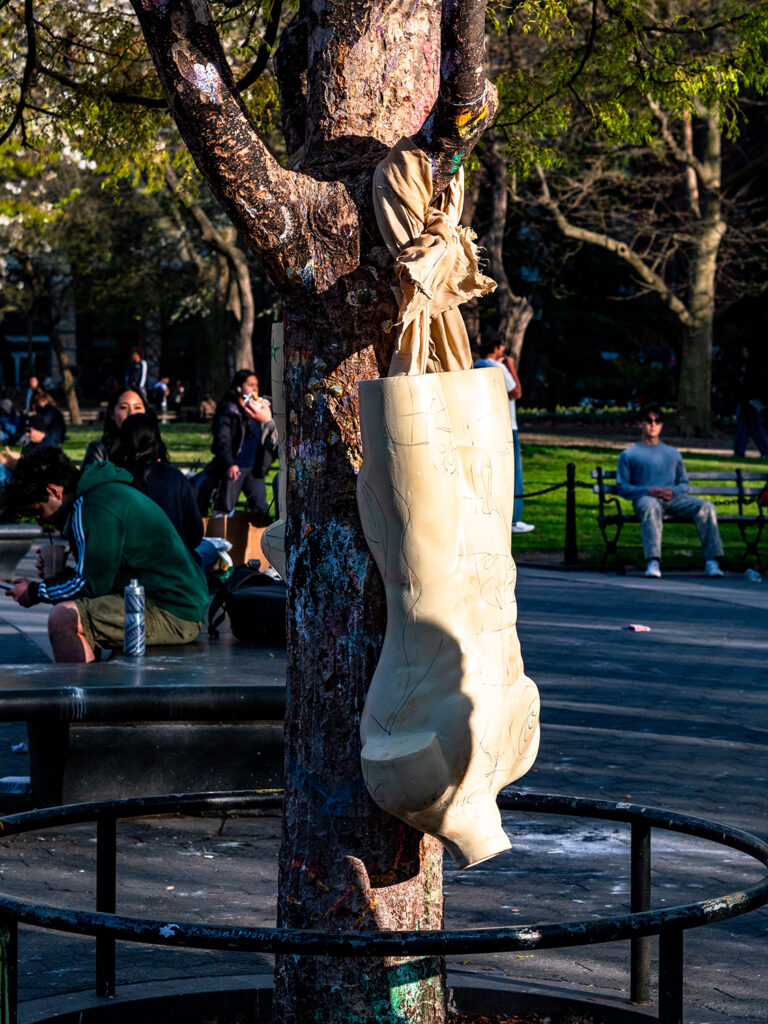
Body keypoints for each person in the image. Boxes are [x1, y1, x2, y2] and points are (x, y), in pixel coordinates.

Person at [5, 446, 208, 662]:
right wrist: (61, 577)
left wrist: (36, 591)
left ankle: (83, 694)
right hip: (169, 602)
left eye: (38, 511)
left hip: (171, 611)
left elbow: (92, 586)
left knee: (63, 619)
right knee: (73, 609)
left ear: (55, 491)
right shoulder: (101, 494)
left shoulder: (94, 507)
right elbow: (100, 579)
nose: (40, 520)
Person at [616, 403, 725, 579]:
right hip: (646, 498)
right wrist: (649, 490)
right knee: (650, 507)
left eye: (657, 421)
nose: (653, 425)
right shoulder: (629, 454)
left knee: (706, 507)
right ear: (640, 423)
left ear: (662, 425)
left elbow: (684, 484)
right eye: (649, 420)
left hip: (673, 499)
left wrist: (672, 492)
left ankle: (712, 561)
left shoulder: (673, 453)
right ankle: (653, 561)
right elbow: (623, 487)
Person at [114, 413, 219, 570]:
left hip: (127, 561)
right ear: (156, 441)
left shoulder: (113, 477)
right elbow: (195, 533)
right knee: (210, 549)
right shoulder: (174, 477)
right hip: (172, 562)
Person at [473, 339, 534, 534]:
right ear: (496, 348)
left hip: (487, 425)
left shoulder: (474, 366)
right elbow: (516, 392)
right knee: (514, 473)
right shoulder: (498, 366)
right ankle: (515, 518)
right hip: (508, 425)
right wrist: (512, 367)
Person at [208, 370, 278, 524]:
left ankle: (261, 542)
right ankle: (222, 541)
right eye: (250, 385)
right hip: (235, 467)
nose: (255, 389)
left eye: (257, 385)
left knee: (261, 508)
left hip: (255, 468)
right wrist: (229, 463)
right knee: (225, 508)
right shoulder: (229, 410)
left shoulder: (261, 408)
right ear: (239, 388)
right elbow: (222, 440)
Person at [82, 388, 148, 466]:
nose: (131, 413)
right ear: (112, 414)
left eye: (137, 407)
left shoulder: (155, 448)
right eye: (124, 407)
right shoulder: (98, 450)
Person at [731, 346, 768, 459]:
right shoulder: (741, 367)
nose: (744, 354)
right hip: (744, 401)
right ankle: (739, 451)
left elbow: (762, 384)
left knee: (755, 427)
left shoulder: (755, 367)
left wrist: (764, 401)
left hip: (752, 401)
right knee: (743, 427)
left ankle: (764, 450)